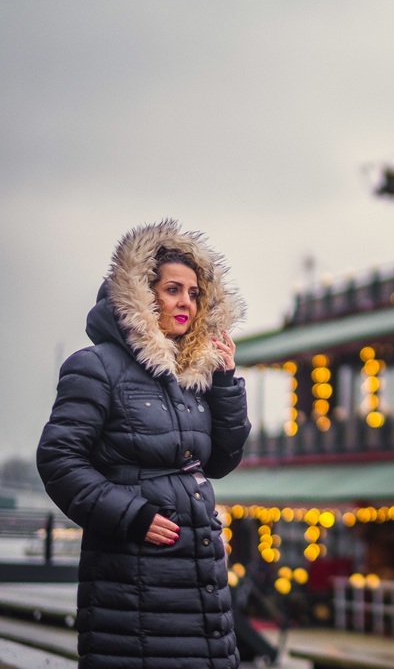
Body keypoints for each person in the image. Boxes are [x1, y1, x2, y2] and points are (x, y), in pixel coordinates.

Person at [37, 220, 251, 668]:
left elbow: (222, 461)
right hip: (132, 575)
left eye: (194, 294)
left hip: (200, 574)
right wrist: (133, 516)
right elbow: (59, 458)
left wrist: (226, 383)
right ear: (141, 293)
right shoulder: (96, 366)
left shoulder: (194, 375)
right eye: (174, 289)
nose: (186, 303)